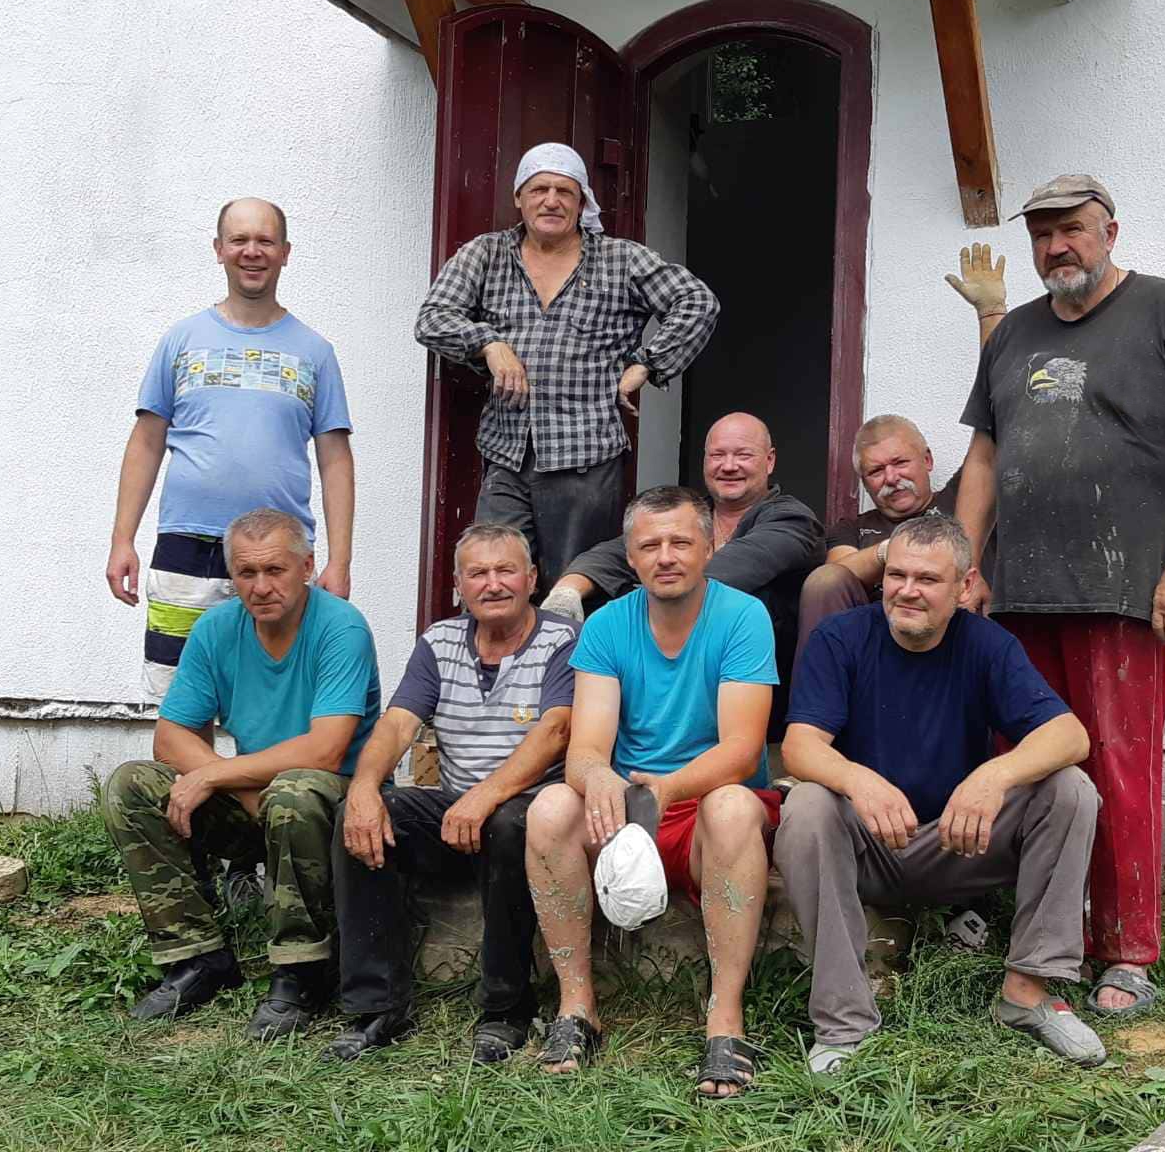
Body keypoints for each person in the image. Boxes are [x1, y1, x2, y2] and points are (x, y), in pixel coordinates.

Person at [951, 174, 1165, 1018]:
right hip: (1019, 597)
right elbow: (983, 460)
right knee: (1031, 768)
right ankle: (1046, 938)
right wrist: (969, 566)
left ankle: (1127, 952)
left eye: (1072, 229)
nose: (1056, 247)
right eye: (1042, 234)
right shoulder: (1014, 334)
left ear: (1109, 231)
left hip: (1123, 590)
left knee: (1119, 767)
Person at [777, 513, 1103, 1072]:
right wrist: (858, 780)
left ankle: (1027, 993)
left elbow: (1071, 736)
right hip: (871, 846)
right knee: (806, 804)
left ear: (965, 585)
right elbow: (799, 747)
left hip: (961, 843)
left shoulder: (987, 645)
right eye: (897, 575)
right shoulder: (841, 637)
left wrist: (992, 776)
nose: (907, 591)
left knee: (1070, 789)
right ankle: (843, 1020)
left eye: (927, 579)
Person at [524, 486, 781, 1099]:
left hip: (706, 806)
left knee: (733, 805)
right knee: (551, 807)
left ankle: (724, 1019)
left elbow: (743, 751)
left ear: (709, 548)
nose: (666, 556)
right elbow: (585, 750)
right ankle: (576, 1009)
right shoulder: (607, 625)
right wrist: (601, 778)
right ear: (631, 557)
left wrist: (667, 788)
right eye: (650, 545)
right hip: (628, 807)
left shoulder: (743, 616)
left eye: (681, 542)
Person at [102, 508, 381, 1041]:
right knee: (133, 784)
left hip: (335, 810)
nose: (261, 587)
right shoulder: (216, 629)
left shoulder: (340, 627)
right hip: (261, 800)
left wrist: (218, 776)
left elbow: (325, 749)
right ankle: (196, 958)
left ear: (307, 567)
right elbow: (170, 737)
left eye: (275, 570)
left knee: (293, 793)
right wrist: (236, 784)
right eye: (246, 573)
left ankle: (302, 972)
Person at [414, 143, 720, 594]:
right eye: (539, 189)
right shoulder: (487, 253)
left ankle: (572, 644)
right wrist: (488, 343)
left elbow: (697, 302)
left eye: (565, 191)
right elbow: (432, 319)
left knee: (575, 590)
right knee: (493, 579)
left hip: (586, 459)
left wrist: (648, 364)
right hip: (506, 452)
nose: (551, 201)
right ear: (519, 197)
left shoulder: (621, 259)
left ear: (582, 203)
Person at [330, 523, 576, 1064]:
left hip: (535, 811)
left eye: (506, 570)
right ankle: (377, 1007)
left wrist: (486, 795)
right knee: (368, 814)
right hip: (460, 810)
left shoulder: (561, 640)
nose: (493, 584)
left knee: (512, 822)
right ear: (459, 586)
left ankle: (505, 1009)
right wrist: (366, 787)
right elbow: (397, 724)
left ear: (532, 578)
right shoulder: (439, 642)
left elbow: (557, 730)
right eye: (477, 573)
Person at [106, 197, 356, 700]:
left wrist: (340, 560)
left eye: (265, 240)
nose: (252, 251)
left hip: (279, 554)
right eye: (239, 240)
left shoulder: (315, 352)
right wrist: (122, 539)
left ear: (285, 252)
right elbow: (146, 443)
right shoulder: (182, 340)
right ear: (219, 249)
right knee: (181, 698)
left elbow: (335, 461)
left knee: (276, 697)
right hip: (186, 546)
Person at [543, 411, 823, 728]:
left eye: (743, 455)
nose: (729, 466)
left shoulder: (792, 519)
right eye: (717, 455)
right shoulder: (693, 513)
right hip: (670, 669)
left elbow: (731, 569)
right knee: (594, 605)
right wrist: (568, 590)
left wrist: (641, 593)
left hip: (746, 686)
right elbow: (621, 551)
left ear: (769, 461)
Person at [794, 414, 995, 665]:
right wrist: (892, 550)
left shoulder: (962, 500)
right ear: (864, 482)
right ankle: (819, 688)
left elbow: (989, 453)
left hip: (959, 645)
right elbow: (830, 579)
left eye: (900, 462)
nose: (891, 477)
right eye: (876, 471)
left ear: (927, 460)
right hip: (878, 653)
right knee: (824, 581)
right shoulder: (852, 529)